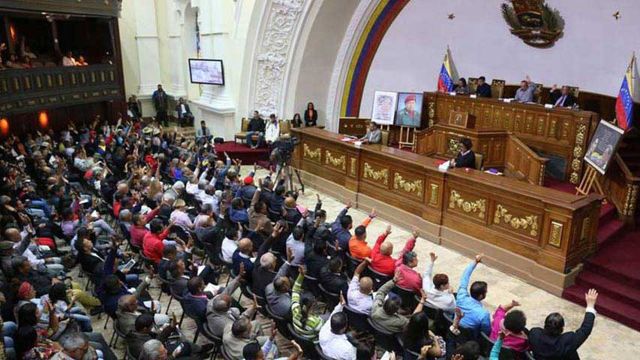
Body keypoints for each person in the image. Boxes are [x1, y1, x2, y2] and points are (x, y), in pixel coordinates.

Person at [529, 289, 598, 360]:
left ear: (545, 325)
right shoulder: (567, 342)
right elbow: (585, 330)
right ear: (562, 328)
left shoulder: (534, 334)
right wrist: (590, 305)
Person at [456, 254, 491, 337]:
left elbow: (465, 277)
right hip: (471, 339)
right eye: (485, 292)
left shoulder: (461, 296)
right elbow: (486, 332)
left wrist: (475, 262)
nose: (487, 292)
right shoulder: (483, 314)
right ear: (480, 296)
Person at [319, 295, 356, 360]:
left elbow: (332, 316)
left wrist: (341, 304)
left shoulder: (323, 331)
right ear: (344, 328)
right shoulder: (348, 349)